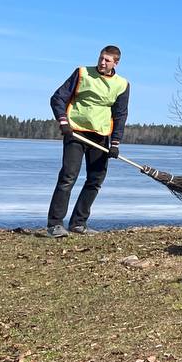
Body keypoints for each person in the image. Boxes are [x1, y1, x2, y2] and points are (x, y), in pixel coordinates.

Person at [45, 45, 130, 237]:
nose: (102, 62)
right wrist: (63, 122)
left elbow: (120, 114)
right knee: (68, 176)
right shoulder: (82, 73)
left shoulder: (122, 84)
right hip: (75, 132)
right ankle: (55, 225)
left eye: (107, 60)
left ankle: (78, 223)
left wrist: (115, 142)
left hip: (100, 136)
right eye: (101, 58)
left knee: (96, 179)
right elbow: (57, 98)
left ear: (116, 63)